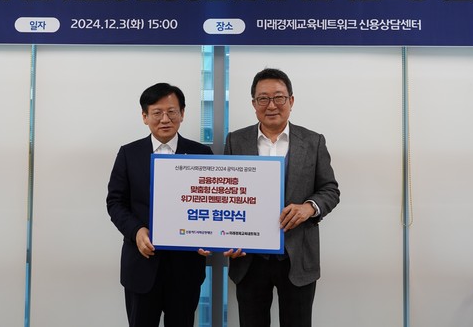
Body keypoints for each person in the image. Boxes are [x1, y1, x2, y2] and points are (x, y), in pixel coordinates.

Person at [223, 68, 340, 327]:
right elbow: (227, 193)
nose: (271, 105)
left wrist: (309, 207)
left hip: (297, 256)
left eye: (279, 97)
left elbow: (330, 189)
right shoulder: (235, 141)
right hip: (249, 259)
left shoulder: (313, 141)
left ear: (291, 100)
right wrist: (227, 237)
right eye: (263, 98)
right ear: (254, 103)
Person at [106, 82, 213, 327]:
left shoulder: (201, 153)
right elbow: (115, 202)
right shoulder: (129, 153)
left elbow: (209, 202)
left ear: (182, 114)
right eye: (157, 112)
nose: (165, 119)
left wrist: (208, 235)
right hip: (141, 266)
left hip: (185, 269)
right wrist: (136, 231)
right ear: (145, 116)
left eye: (172, 111)